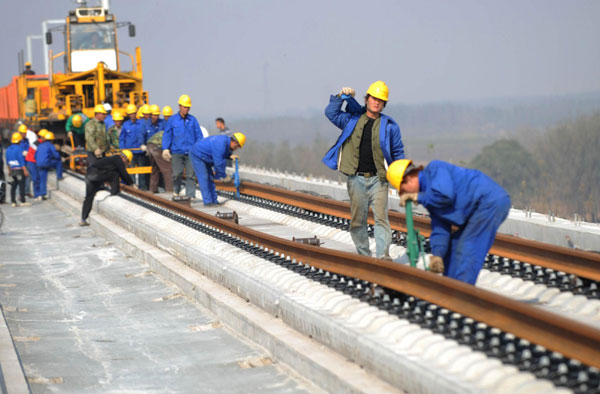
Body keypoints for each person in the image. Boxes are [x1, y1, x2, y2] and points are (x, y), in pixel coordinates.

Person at [387, 159, 511, 285]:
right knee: (452, 250)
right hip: (475, 211)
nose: (406, 194)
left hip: (490, 202)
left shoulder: (435, 169)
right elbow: (440, 227)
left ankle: (462, 296)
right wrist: (438, 255)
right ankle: (449, 289)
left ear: (409, 179)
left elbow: (445, 196)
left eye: (404, 190)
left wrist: (419, 197)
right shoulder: (430, 199)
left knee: (467, 249)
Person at [322, 81, 405, 260]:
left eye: (380, 100)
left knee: (381, 219)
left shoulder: (389, 125)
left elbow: (398, 151)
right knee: (357, 222)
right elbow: (331, 113)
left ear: (384, 104)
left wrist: (401, 176)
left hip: (379, 180)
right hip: (356, 179)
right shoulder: (351, 120)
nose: (376, 102)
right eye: (374, 98)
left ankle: (383, 257)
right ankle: (365, 257)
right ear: (367, 99)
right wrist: (340, 97)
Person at [162, 94, 203, 198]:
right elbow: (167, 135)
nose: (186, 109)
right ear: (179, 106)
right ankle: (176, 190)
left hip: (191, 152)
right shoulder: (172, 120)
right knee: (177, 174)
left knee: (191, 175)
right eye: (184, 106)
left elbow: (199, 135)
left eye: (188, 107)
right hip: (176, 151)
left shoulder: (193, 120)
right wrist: (165, 148)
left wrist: (199, 149)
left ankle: (190, 195)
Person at [80, 150, 135, 226]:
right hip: (96, 175)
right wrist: (131, 183)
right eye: (127, 161)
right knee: (116, 173)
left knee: (89, 197)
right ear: (124, 158)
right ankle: (115, 193)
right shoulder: (117, 159)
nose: (126, 163)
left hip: (89, 175)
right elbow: (123, 173)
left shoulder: (111, 160)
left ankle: (83, 219)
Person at [190, 133, 245, 206]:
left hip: (206, 156)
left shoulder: (225, 142)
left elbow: (222, 154)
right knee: (204, 177)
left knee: (210, 178)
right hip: (197, 155)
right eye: (238, 147)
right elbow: (218, 163)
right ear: (235, 143)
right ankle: (208, 202)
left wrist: (230, 156)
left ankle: (214, 200)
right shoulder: (221, 144)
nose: (237, 149)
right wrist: (224, 176)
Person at [120, 103, 147, 190]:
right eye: (131, 114)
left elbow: (146, 135)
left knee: (142, 171)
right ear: (128, 114)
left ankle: (142, 188)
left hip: (140, 151)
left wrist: (146, 146)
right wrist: (123, 150)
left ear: (136, 113)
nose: (132, 115)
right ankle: (132, 187)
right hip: (130, 153)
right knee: (130, 171)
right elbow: (122, 138)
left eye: (134, 113)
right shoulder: (125, 125)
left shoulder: (142, 123)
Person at [35, 131, 63, 199]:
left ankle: (43, 194)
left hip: (38, 163)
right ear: (52, 140)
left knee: (42, 179)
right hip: (46, 163)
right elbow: (56, 156)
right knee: (58, 162)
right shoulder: (51, 145)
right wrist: (59, 157)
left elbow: (35, 156)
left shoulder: (40, 145)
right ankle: (59, 176)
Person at [5, 132, 31, 207]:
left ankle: (13, 202)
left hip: (12, 170)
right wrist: (25, 170)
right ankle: (23, 201)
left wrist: (9, 171)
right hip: (19, 170)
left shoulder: (8, 149)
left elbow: (7, 161)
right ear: (19, 141)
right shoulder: (19, 149)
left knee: (13, 186)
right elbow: (21, 161)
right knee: (21, 185)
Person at [24, 129, 47, 200]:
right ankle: (37, 194)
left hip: (33, 162)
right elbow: (37, 155)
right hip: (32, 162)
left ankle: (39, 193)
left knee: (37, 178)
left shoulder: (39, 143)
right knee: (35, 178)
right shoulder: (38, 144)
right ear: (42, 137)